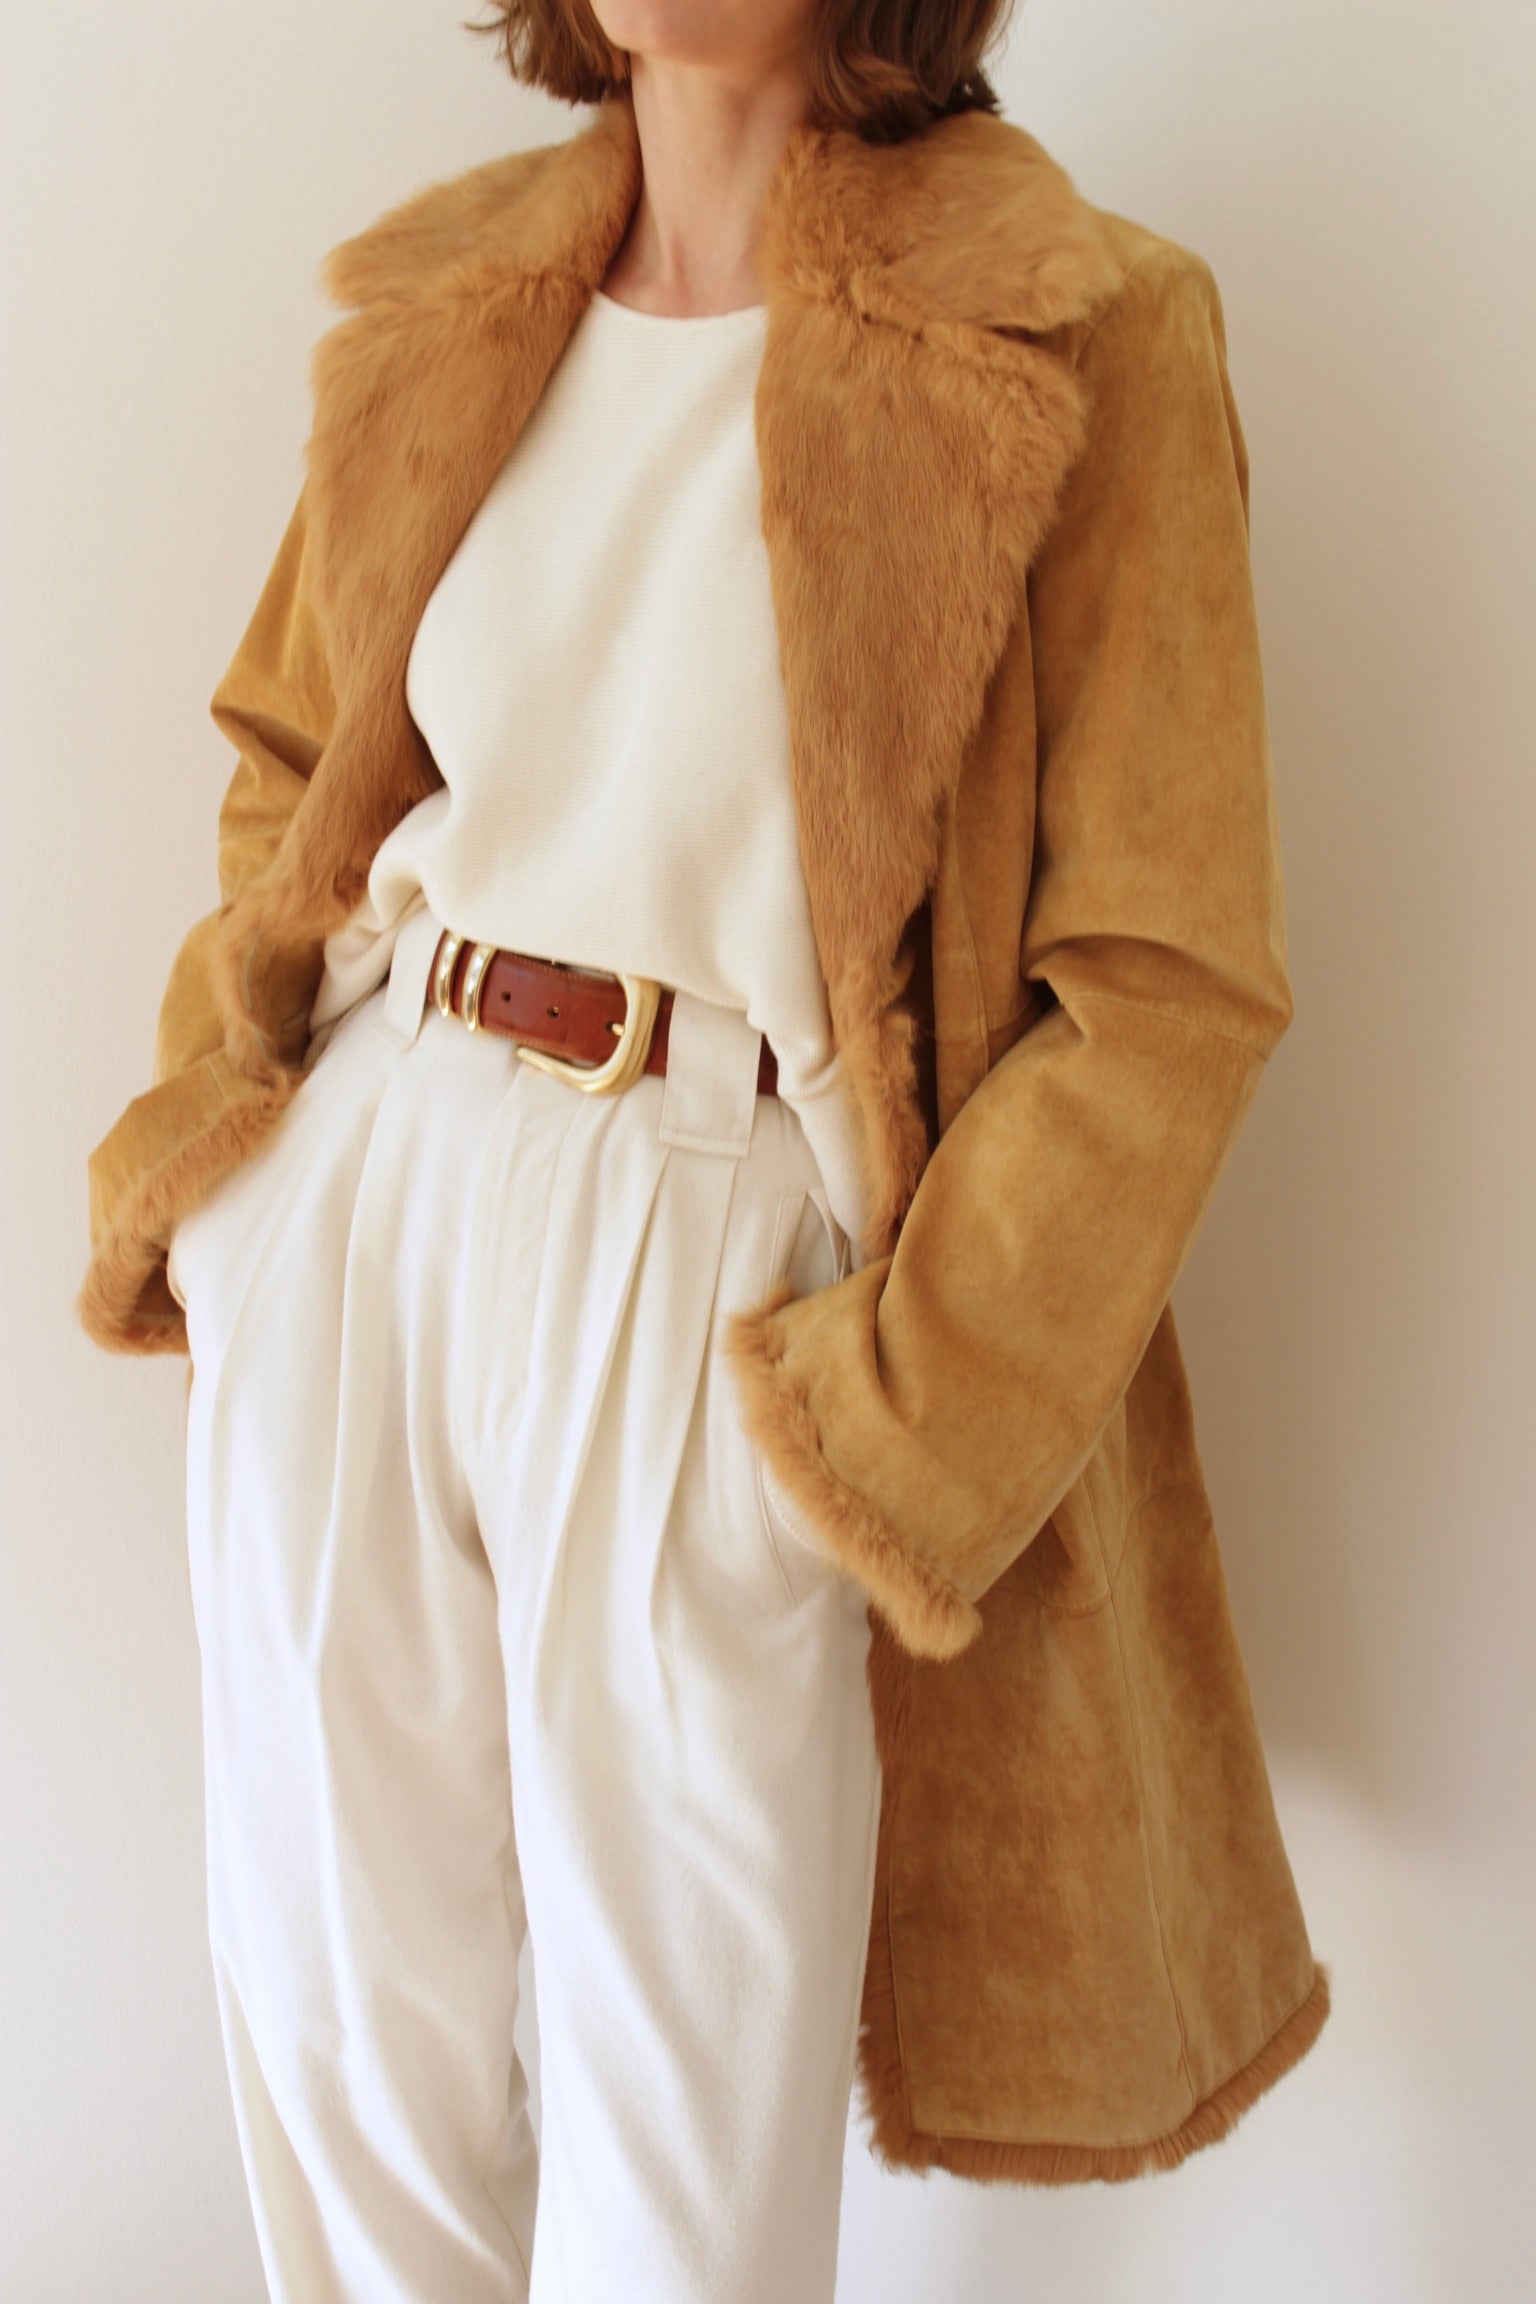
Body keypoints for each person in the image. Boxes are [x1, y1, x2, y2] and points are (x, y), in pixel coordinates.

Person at [79, 2, 1331, 2298]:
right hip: (366, 1183)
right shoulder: (457, 293)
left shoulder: (1084, 321)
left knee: (684, 2152)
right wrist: (248, 1180)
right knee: (345, 2066)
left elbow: (1166, 981)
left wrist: (888, 1429)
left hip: (716, 1249)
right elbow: (291, 752)